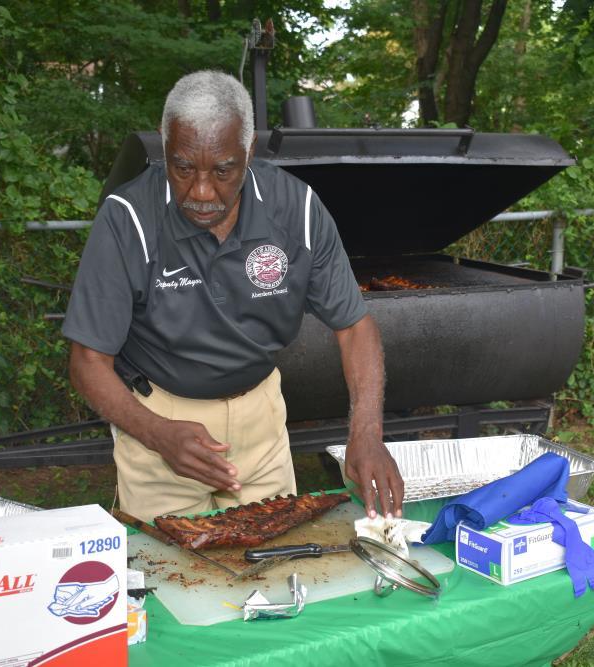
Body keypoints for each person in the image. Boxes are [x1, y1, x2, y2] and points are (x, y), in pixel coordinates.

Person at [62, 70, 403, 522]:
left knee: (274, 573)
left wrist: (366, 434)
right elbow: (87, 360)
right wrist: (157, 433)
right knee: (172, 578)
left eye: (223, 170)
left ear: (249, 151)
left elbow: (355, 326)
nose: (201, 192)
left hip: (260, 422)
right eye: (182, 168)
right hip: (160, 425)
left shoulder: (296, 210)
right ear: (164, 145)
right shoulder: (128, 218)